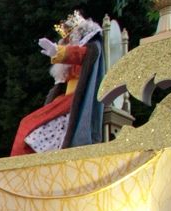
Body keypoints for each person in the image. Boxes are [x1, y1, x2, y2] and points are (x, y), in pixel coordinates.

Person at [10, 11, 105, 156]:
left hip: (76, 100)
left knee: (29, 124)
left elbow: (78, 54)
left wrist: (58, 52)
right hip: (66, 101)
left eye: (68, 37)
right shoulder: (80, 51)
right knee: (28, 124)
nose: (66, 40)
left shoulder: (91, 48)